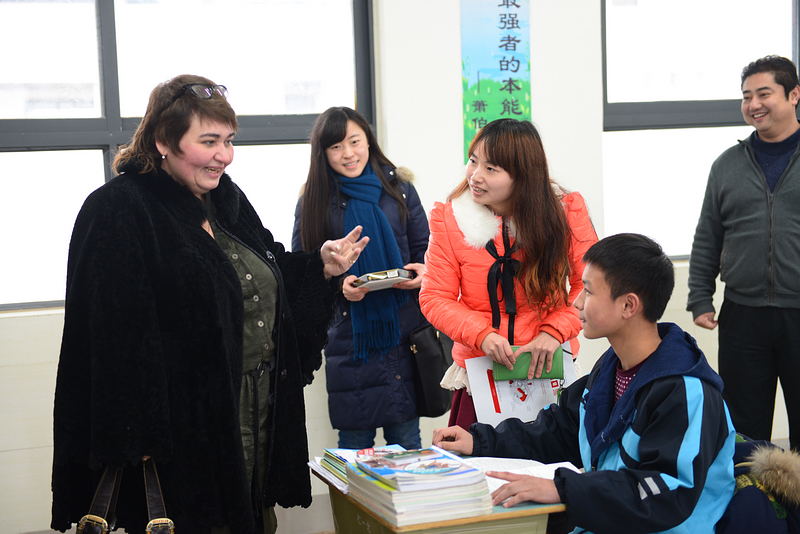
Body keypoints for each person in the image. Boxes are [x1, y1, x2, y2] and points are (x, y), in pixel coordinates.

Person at [51, 75, 368, 534]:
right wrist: (139, 434)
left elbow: (269, 267)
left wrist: (320, 265)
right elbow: (110, 337)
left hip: (255, 421)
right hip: (182, 442)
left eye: (229, 140)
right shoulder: (119, 208)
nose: (225, 155)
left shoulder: (225, 200)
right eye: (209, 141)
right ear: (163, 141)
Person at [434, 233, 736, 534]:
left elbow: (665, 492)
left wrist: (564, 489)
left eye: (588, 292)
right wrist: (480, 442)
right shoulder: (610, 368)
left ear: (628, 305)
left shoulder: (686, 393)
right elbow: (560, 431)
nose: (576, 302)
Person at [419, 118, 597, 429]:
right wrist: (482, 335)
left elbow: (591, 285)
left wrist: (554, 331)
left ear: (524, 176)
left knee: (552, 455)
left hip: (550, 368)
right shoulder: (450, 219)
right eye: (473, 161)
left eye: (491, 169)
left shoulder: (566, 211)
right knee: (477, 457)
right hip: (480, 373)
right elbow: (434, 297)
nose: (475, 176)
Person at [291, 106, 430, 450]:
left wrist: (422, 272)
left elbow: (425, 249)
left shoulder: (398, 188)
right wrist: (339, 285)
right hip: (349, 336)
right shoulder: (313, 199)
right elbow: (302, 270)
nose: (348, 153)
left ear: (368, 140)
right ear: (323, 152)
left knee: (407, 444)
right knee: (355, 448)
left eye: (354, 141)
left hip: (402, 331)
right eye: (336, 146)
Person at [687, 55, 800, 451]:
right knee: (744, 430)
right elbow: (708, 235)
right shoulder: (727, 165)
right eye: (746, 96)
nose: (753, 104)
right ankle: (753, 494)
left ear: (794, 94)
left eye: (763, 94)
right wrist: (700, 296)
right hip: (742, 315)